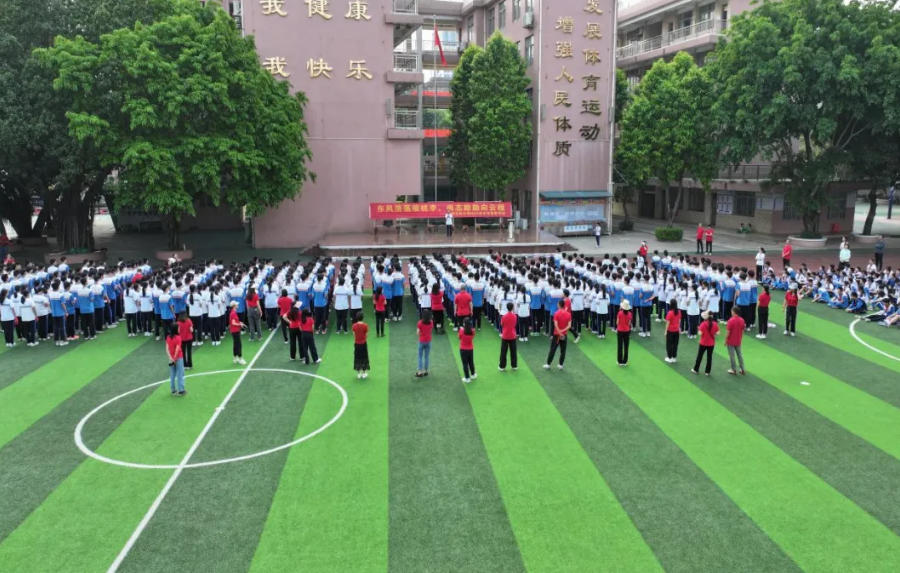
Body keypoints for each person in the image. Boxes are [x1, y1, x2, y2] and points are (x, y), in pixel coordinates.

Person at [544, 300, 571, 370]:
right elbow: (569, 326)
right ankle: (560, 365)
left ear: (559, 305)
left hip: (556, 335)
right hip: (564, 335)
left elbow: (555, 325)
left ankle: (548, 364)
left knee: (553, 349)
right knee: (563, 350)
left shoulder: (556, 313)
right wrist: (562, 332)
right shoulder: (568, 314)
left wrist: (559, 332)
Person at [692, 310, 719, 376]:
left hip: (703, 343)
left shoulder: (703, 324)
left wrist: (699, 329)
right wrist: (713, 334)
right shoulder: (715, 324)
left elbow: (700, 333)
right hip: (711, 343)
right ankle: (707, 372)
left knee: (699, 356)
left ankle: (696, 369)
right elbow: (718, 333)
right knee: (709, 358)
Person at [166, 324, 186, 396]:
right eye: (178, 328)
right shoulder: (178, 338)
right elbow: (177, 349)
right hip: (178, 358)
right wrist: (174, 358)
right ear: (175, 329)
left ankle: (173, 390)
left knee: (172, 374)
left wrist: (170, 358)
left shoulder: (168, 337)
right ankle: (181, 390)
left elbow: (167, 349)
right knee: (180, 374)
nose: (179, 329)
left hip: (171, 358)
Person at [725, 307, 746, 375]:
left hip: (731, 341)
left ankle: (733, 369)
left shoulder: (730, 321)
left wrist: (725, 340)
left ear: (734, 312)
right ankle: (742, 369)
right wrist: (740, 338)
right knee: (739, 355)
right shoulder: (742, 320)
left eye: (732, 311)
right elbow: (743, 330)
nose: (731, 312)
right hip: (738, 340)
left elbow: (728, 332)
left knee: (732, 356)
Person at [499, 302, 518, 371]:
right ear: (512, 308)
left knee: (503, 352)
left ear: (507, 308)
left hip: (505, 336)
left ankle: (502, 366)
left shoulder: (504, 316)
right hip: (512, 335)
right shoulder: (515, 316)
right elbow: (515, 324)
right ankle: (514, 366)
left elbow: (502, 324)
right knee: (513, 351)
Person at [352, 311, 370, 379]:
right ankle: (364, 373)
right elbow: (366, 335)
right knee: (364, 357)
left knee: (357, 357)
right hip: (363, 344)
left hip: (357, 344)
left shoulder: (354, 326)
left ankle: (358, 373)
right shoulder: (365, 325)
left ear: (357, 318)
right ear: (363, 318)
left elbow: (354, 335)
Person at [458, 318, 477, 383]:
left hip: (463, 349)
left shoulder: (461, 331)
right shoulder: (472, 331)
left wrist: (461, 330)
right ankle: (473, 374)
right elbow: (472, 336)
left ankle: (467, 378)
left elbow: (459, 337)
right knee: (471, 362)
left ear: (464, 324)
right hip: (470, 349)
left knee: (465, 364)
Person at [416, 310, 434, 377]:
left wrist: (421, 334)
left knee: (420, 357)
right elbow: (430, 330)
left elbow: (417, 332)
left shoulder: (420, 323)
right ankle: (426, 371)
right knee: (426, 357)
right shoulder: (431, 322)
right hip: (428, 341)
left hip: (421, 341)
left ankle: (420, 372)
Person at [228, 301, 247, 365]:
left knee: (236, 344)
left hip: (234, 331)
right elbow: (233, 323)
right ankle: (240, 358)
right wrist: (240, 324)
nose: (237, 305)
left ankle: (235, 358)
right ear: (234, 306)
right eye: (236, 305)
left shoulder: (233, 312)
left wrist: (240, 323)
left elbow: (234, 321)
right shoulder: (233, 313)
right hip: (235, 331)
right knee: (238, 344)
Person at [616, 299, 633, 366]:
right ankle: (625, 361)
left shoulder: (619, 313)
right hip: (627, 331)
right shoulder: (630, 314)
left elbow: (617, 322)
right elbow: (629, 324)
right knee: (626, 346)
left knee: (620, 346)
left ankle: (620, 361)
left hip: (620, 331)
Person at [664, 299, 680, 363]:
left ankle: (669, 357)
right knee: (675, 345)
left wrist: (665, 331)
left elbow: (668, 323)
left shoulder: (670, 313)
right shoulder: (679, 312)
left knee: (669, 345)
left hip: (670, 331)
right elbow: (679, 321)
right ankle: (674, 357)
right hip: (676, 331)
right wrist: (678, 327)